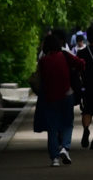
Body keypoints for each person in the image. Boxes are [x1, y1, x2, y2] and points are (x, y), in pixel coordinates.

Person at [31, 30, 76, 166]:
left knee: (52, 127)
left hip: (49, 96)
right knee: (68, 123)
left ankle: (54, 158)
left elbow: (39, 78)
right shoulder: (65, 56)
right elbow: (81, 64)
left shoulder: (43, 61)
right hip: (66, 94)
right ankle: (64, 147)